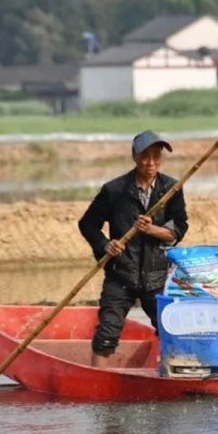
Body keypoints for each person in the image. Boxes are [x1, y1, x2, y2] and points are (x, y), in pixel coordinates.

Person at [78, 130, 188, 368]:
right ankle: (97, 384)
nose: (151, 163)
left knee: (170, 331)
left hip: (157, 276)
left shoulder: (171, 189)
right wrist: (105, 244)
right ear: (134, 155)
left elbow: (177, 230)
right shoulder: (114, 190)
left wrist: (152, 230)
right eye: (145, 156)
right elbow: (87, 224)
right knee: (106, 334)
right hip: (120, 274)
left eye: (156, 156)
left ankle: (176, 380)